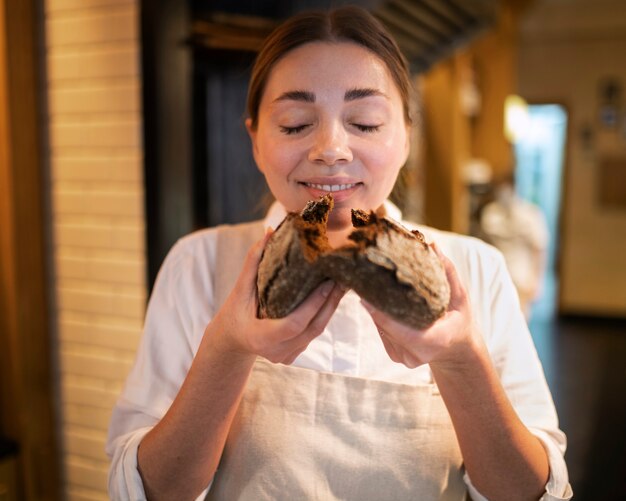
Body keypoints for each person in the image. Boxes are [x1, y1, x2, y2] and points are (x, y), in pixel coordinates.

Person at [106, 6, 572, 501]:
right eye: (294, 124)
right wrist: (227, 347)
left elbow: (535, 492)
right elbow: (143, 491)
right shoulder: (196, 264)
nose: (332, 149)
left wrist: (460, 360)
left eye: (366, 123)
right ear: (256, 142)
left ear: (406, 137)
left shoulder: (476, 269)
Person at [479, 174, 550, 319]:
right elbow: (486, 244)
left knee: (519, 321)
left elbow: (539, 249)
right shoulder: (491, 214)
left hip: (522, 277)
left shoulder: (531, 215)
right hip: (497, 274)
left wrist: (538, 280)